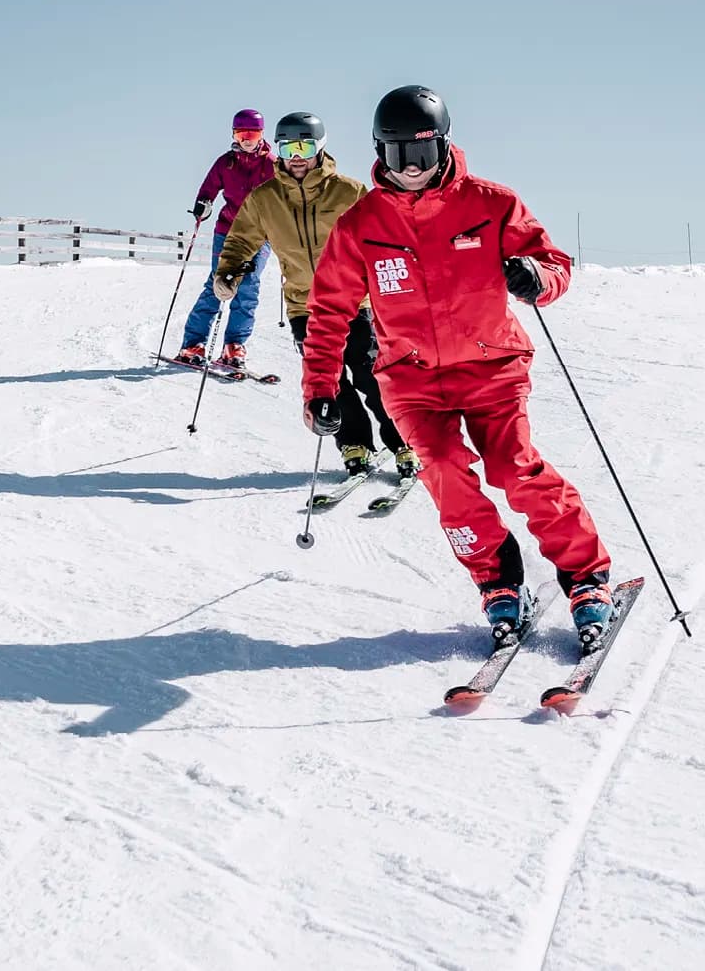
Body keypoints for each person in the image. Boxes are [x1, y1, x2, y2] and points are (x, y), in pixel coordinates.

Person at [297, 85, 618, 653]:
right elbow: (328, 311)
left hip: (493, 367)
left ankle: (585, 578)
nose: (412, 168)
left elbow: (553, 263)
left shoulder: (491, 203)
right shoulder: (360, 224)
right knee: (442, 470)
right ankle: (496, 580)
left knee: (514, 470)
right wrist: (321, 388)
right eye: (398, 156)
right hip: (412, 380)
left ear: (444, 144)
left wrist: (535, 279)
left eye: (422, 153)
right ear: (379, 152)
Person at [210, 111, 415, 479]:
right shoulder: (265, 199)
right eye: (289, 147)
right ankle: (354, 442)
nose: (297, 155)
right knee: (330, 380)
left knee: (370, 373)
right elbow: (241, 239)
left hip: (356, 302)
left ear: (320, 147)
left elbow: (384, 236)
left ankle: (403, 441)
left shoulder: (349, 192)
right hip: (305, 306)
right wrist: (228, 270)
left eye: (305, 146)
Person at [174, 109, 277, 372]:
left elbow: (286, 196)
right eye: (241, 134)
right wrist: (203, 205)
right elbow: (208, 189)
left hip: (259, 235)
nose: (246, 139)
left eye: (252, 134)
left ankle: (234, 346)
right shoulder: (226, 163)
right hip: (227, 231)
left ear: (261, 135)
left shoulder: (272, 165)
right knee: (218, 284)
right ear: (234, 135)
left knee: (248, 287)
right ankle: (193, 344)